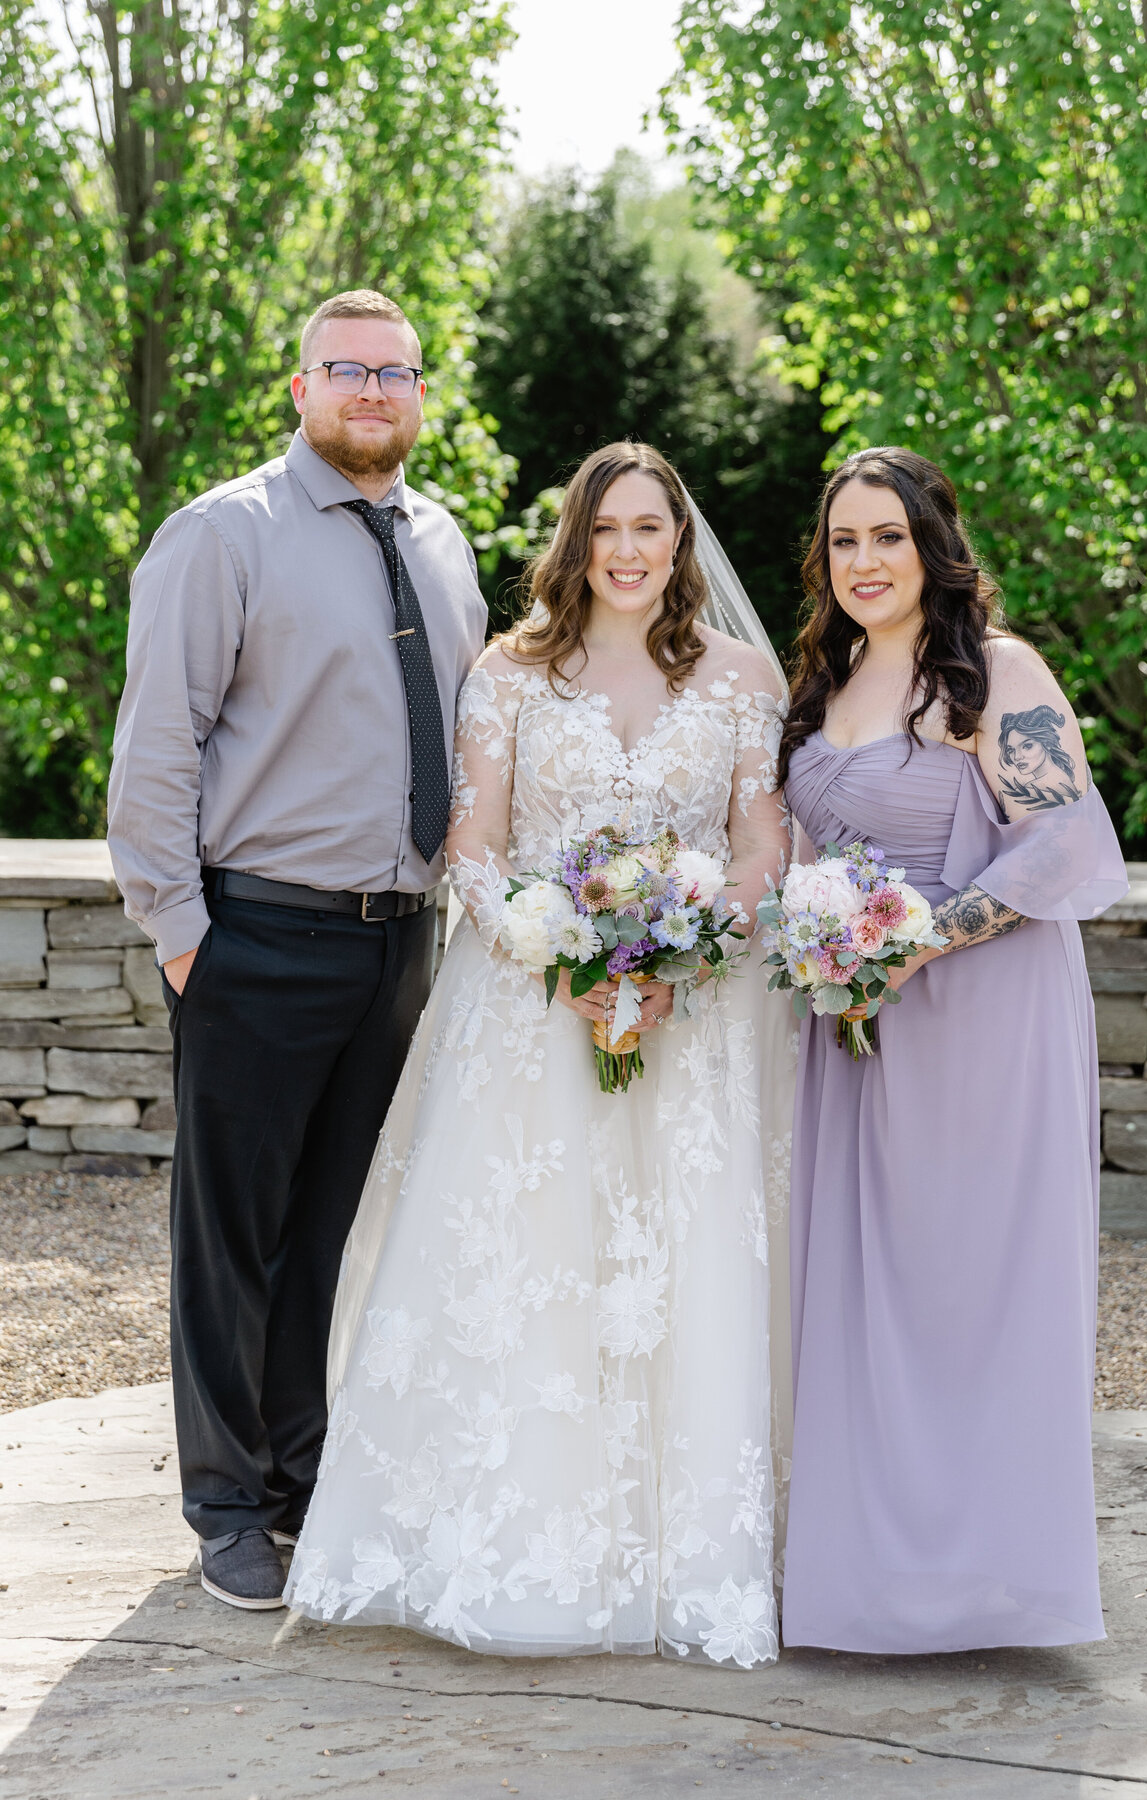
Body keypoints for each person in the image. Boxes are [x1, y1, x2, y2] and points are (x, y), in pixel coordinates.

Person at [284, 442, 797, 1665]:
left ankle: (684, 1561)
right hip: (528, 1016)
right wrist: (560, 958)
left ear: (681, 544)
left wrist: (686, 954)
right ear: (575, 541)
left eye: (652, 529)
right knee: (534, 1263)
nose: (629, 550)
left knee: (678, 1274)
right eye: (607, 527)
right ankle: (497, 1548)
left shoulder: (738, 679)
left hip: (689, 1022)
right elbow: (472, 844)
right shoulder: (508, 674)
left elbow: (759, 846)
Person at [107, 289, 488, 1610]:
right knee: (234, 1240)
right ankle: (224, 1505)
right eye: (348, 369)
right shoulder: (226, 536)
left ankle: (305, 1484)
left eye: (397, 371)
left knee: (334, 1234)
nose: (374, 391)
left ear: (422, 392)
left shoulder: (441, 542)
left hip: (401, 946)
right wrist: (184, 937)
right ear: (300, 387)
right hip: (257, 935)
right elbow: (157, 742)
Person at [779, 446, 1127, 1654]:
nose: (866, 562)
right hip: (855, 1026)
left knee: (969, 1293)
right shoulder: (823, 678)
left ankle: (991, 1585)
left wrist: (920, 941)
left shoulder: (994, 673)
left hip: (980, 1020)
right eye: (844, 542)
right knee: (862, 1299)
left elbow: (1067, 849)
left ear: (934, 543)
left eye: (889, 537)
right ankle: (861, 1582)